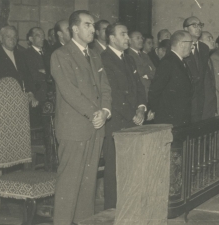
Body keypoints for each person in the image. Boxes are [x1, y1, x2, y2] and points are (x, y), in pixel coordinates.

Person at [50, 10, 112, 225]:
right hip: (74, 128)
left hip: (96, 126)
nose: (93, 29)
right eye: (88, 25)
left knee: (88, 185)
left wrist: (105, 111)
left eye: (93, 25)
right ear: (74, 29)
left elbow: (105, 88)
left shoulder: (95, 55)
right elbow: (69, 90)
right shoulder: (61, 55)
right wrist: (94, 113)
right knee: (69, 184)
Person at [101, 22, 146, 210]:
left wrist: (141, 108)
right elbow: (114, 93)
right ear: (112, 38)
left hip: (133, 118)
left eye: (127, 34)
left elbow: (139, 86)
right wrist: (132, 114)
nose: (127, 38)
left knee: (132, 165)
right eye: (123, 34)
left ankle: (130, 204)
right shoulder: (104, 58)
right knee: (114, 167)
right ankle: (113, 209)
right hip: (118, 120)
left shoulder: (128, 58)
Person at [0, 26, 38, 107]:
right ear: (1, 38)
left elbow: (27, 77)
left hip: (20, 103)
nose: (12, 39)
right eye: (8, 36)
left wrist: (30, 93)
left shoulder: (21, 55)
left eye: (14, 36)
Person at [148, 30, 192, 126]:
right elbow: (155, 90)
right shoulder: (168, 62)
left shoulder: (179, 61)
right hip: (170, 119)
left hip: (179, 117)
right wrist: (157, 111)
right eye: (190, 43)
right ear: (181, 44)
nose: (192, 46)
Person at [183, 16, 210, 122]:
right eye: (194, 25)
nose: (198, 28)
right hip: (186, 97)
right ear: (185, 29)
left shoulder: (204, 48)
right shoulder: (180, 46)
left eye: (200, 25)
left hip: (200, 97)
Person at [24, 27, 48, 126]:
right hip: (37, 97)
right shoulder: (26, 54)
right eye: (38, 35)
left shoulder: (48, 53)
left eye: (43, 35)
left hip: (49, 95)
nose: (42, 38)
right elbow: (30, 75)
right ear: (31, 39)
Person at [127, 30, 155, 98]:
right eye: (137, 38)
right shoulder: (127, 55)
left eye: (142, 38)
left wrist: (147, 74)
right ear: (130, 41)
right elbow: (139, 71)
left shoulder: (144, 55)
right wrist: (148, 70)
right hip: (138, 94)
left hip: (149, 91)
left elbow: (154, 71)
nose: (141, 40)